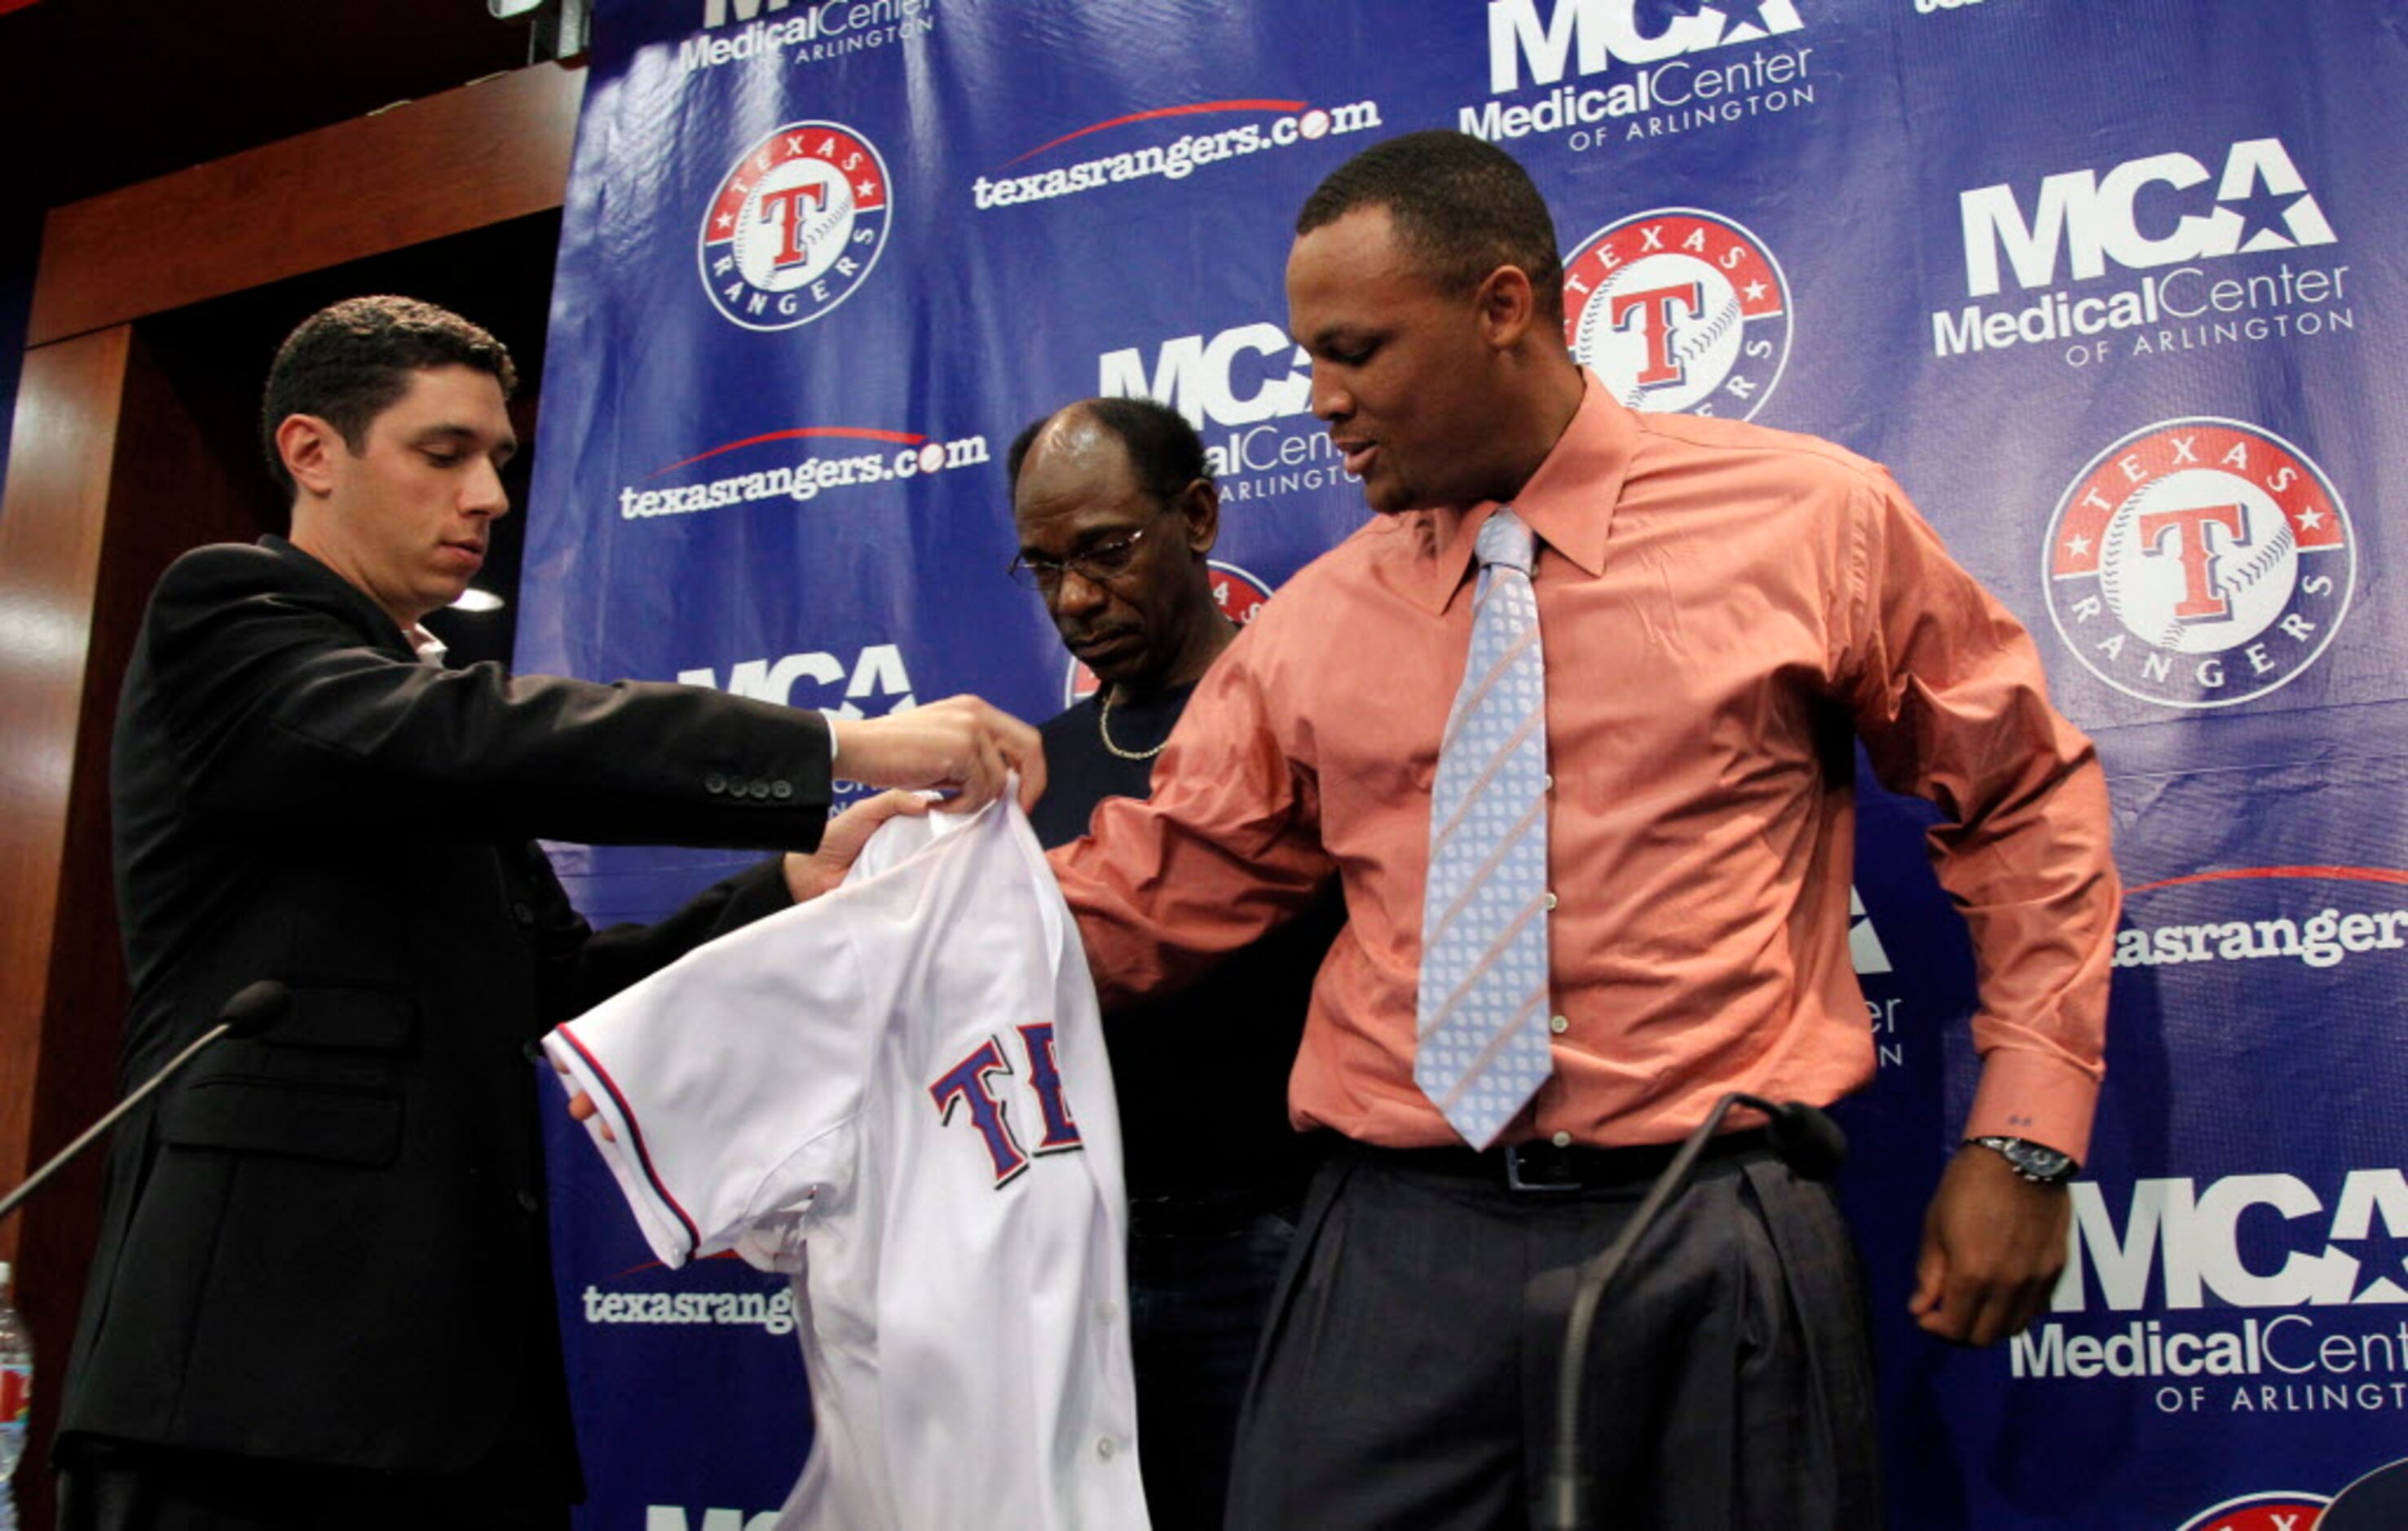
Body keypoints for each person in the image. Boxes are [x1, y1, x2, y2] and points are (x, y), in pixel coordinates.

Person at [1045, 131, 2119, 1528]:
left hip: (1707, 1227)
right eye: (1307, 355)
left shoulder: (1811, 523)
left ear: (1503, 308)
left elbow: (2022, 797)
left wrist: (2024, 1139)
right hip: (1391, 1247)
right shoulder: (1309, 623)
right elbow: (1151, 891)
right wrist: (859, 926)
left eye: (1355, 349)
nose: (1318, 398)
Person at [53, 296, 1041, 1530]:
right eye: (443, 452)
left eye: (500, 461)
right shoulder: (233, 618)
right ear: (312, 452)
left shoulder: (412, 708)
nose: (488, 497)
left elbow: (554, 981)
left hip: (454, 1389)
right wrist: (837, 740)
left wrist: (784, 887)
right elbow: (476, 737)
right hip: (248, 1381)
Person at [1008, 397, 1340, 1530]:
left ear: (1195, 515)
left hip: (1287, 1238)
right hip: (1069, 1264)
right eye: (1043, 566)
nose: (1074, 599)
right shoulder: (1030, 770)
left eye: (1105, 550)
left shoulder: (1316, 719)